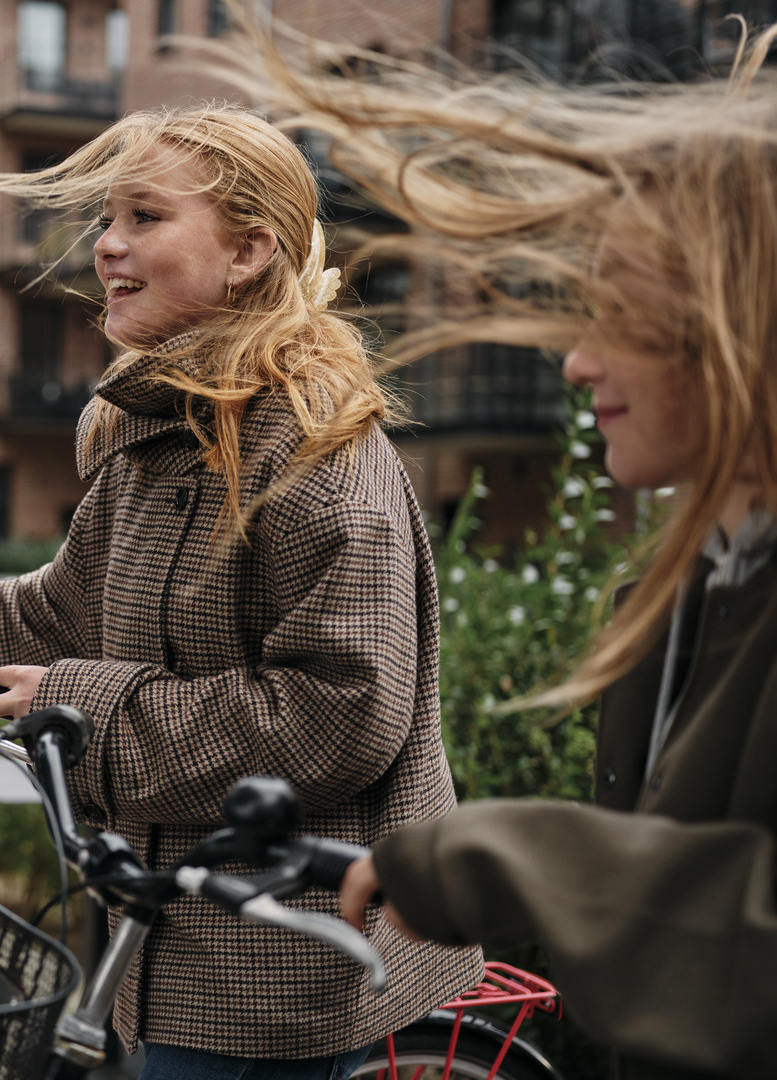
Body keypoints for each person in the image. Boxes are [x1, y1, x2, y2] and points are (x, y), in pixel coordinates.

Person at [0, 104, 484, 1080]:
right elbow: (43, 615)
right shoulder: (157, 440)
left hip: (276, 967)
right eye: (108, 218)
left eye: (145, 217)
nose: (106, 245)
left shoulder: (319, 457)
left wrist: (82, 706)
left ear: (247, 252)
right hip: (164, 935)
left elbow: (344, 713)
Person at [229, 12, 777, 1080]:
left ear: (737, 322)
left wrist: (502, 858)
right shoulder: (704, 586)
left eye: (617, 308)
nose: (575, 362)